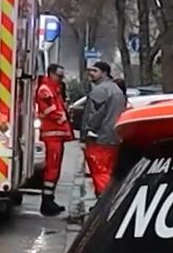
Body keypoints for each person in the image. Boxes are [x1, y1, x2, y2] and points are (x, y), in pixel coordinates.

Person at [77, 61, 127, 198]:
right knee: (109, 171)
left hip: (100, 139)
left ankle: (104, 202)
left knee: (99, 171)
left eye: (94, 71)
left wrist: (85, 135)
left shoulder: (99, 91)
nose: (91, 74)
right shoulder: (117, 90)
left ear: (104, 73)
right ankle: (110, 199)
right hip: (114, 137)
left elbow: (92, 117)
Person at [33, 64, 71, 217]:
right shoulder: (46, 90)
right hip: (51, 134)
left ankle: (49, 199)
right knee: (52, 168)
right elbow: (50, 110)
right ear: (51, 74)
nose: (61, 79)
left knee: (55, 169)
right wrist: (62, 117)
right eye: (59, 76)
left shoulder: (54, 89)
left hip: (56, 134)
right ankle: (47, 202)